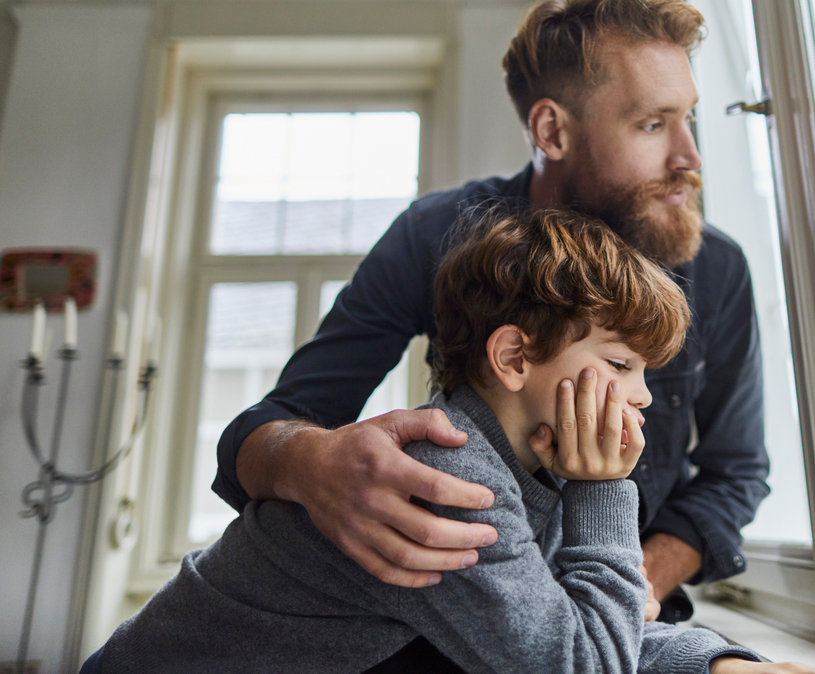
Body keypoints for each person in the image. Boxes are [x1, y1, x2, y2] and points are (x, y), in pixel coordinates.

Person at [214, 0, 770, 622]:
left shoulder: (716, 270)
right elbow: (276, 420)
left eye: (688, 118)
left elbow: (736, 473)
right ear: (552, 131)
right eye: (651, 124)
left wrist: (634, 584)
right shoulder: (433, 234)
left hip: (622, 616)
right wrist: (308, 461)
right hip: (464, 611)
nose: (689, 157)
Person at [88, 208, 786, 673]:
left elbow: (560, 624)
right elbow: (579, 664)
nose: (641, 396)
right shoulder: (445, 483)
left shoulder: (507, 469)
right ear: (513, 358)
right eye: (618, 364)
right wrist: (603, 490)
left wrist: (715, 661)